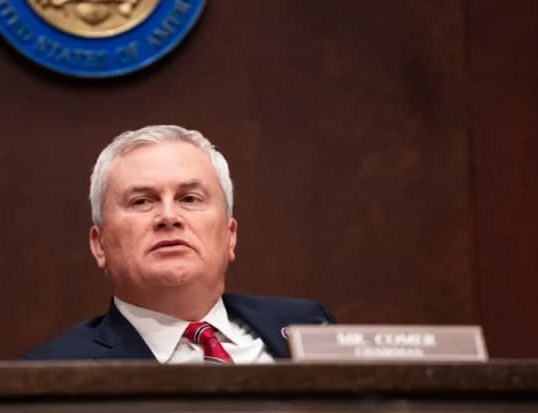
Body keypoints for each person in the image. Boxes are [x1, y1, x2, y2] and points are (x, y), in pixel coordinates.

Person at [21, 125, 334, 363]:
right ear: (99, 244)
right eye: (142, 201)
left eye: (189, 199)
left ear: (230, 235)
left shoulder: (308, 324)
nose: (168, 217)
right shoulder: (47, 371)